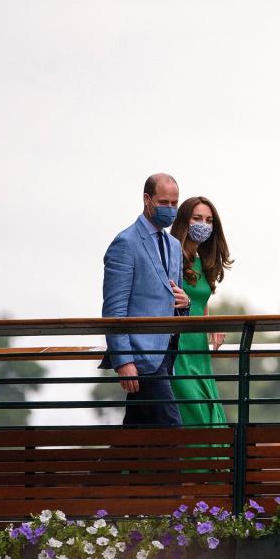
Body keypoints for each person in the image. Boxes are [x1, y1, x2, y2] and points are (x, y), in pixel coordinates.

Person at [99, 173, 191, 427]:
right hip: (142, 358)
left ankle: (105, 469)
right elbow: (114, 309)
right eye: (164, 203)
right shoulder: (125, 243)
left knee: (133, 437)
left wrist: (186, 304)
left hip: (168, 354)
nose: (170, 209)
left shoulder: (173, 245)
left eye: (174, 204)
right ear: (147, 199)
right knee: (172, 429)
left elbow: (176, 299)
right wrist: (124, 360)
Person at [168, 196, 234, 428]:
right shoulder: (169, 256)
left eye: (208, 220)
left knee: (211, 419)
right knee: (193, 417)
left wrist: (211, 323)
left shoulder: (203, 261)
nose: (203, 225)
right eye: (197, 218)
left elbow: (200, 301)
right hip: (177, 347)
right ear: (184, 221)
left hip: (199, 349)